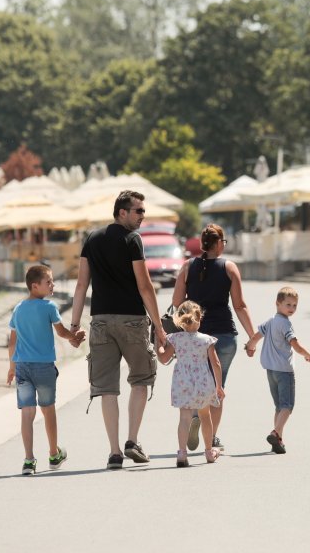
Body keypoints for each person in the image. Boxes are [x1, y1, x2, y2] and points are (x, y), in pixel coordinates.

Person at [69, 190, 168, 470]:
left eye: (143, 211)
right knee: (141, 379)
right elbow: (145, 285)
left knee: (106, 388)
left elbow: (81, 286)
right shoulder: (132, 240)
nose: (142, 216)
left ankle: (114, 452)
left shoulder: (92, 239)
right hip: (132, 321)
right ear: (121, 212)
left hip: (100, 321)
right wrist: (159, 327)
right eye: (138, 211)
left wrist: (75, 326)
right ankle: (132, 441)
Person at [171, 223, 255, 453]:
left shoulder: (188, 266)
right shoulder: (229, 267)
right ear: (219, 243)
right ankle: (213, 437)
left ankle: (196, 415)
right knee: (217, 388)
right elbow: (240, 305)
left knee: (195, 383)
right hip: (224, 337)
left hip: (195, 338)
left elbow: (177, 302)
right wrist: (252, 337)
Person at [7, 265, 86, 475]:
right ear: (35, 286)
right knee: (48, 409)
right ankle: (53, 454)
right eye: (48, 282)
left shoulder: (18, 309)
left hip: (22, 367)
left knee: (27, 412)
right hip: (43, 367)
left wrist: (11, 367)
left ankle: (28, 460)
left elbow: (12, 341)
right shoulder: (49, 307)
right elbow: (61, 332)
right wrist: (75, 337)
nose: (53, 285)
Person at [244, 286, 310, 454]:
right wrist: (307, 354)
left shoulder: (270, 322)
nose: (292, 309)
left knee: (279, 407)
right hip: (284, 371)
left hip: (270, 371)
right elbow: (294, 344)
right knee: (287, 406)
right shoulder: (286, 325)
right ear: (278, 303)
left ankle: (279, 440)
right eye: (288, 305)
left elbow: (255, 337)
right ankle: (275, 432)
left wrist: (250, 347)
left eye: (295, 306)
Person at [157, 301, 225, 467]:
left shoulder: (175, 339)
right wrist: (219, 386)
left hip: (183, 381)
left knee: (184, 418)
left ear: (179, 320)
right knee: (205, 416)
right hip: (203, 382)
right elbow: (216, 363)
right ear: (199, 318)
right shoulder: (207, 340)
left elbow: (164, 358)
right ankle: (209, 451)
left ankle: (182, 453)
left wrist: (159, 344)